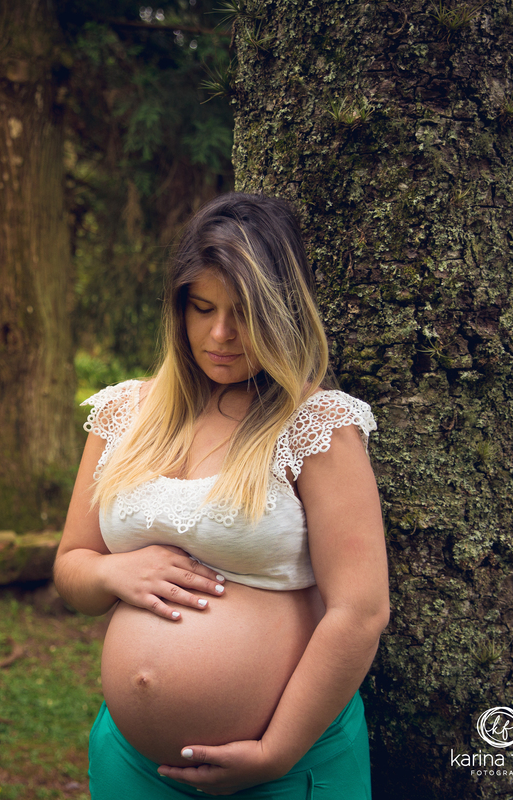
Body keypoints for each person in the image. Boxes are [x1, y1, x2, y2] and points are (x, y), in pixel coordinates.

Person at [54, 193, 390, 798]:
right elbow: (72, 567)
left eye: (245, 312)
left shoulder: (317, 425)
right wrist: (113, 575)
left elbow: (360, 612)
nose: (221, 334)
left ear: (283, 309)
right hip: (133, 767)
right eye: (202, 307)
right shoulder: (125, 412)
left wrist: (275, 752)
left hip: (284, 771)